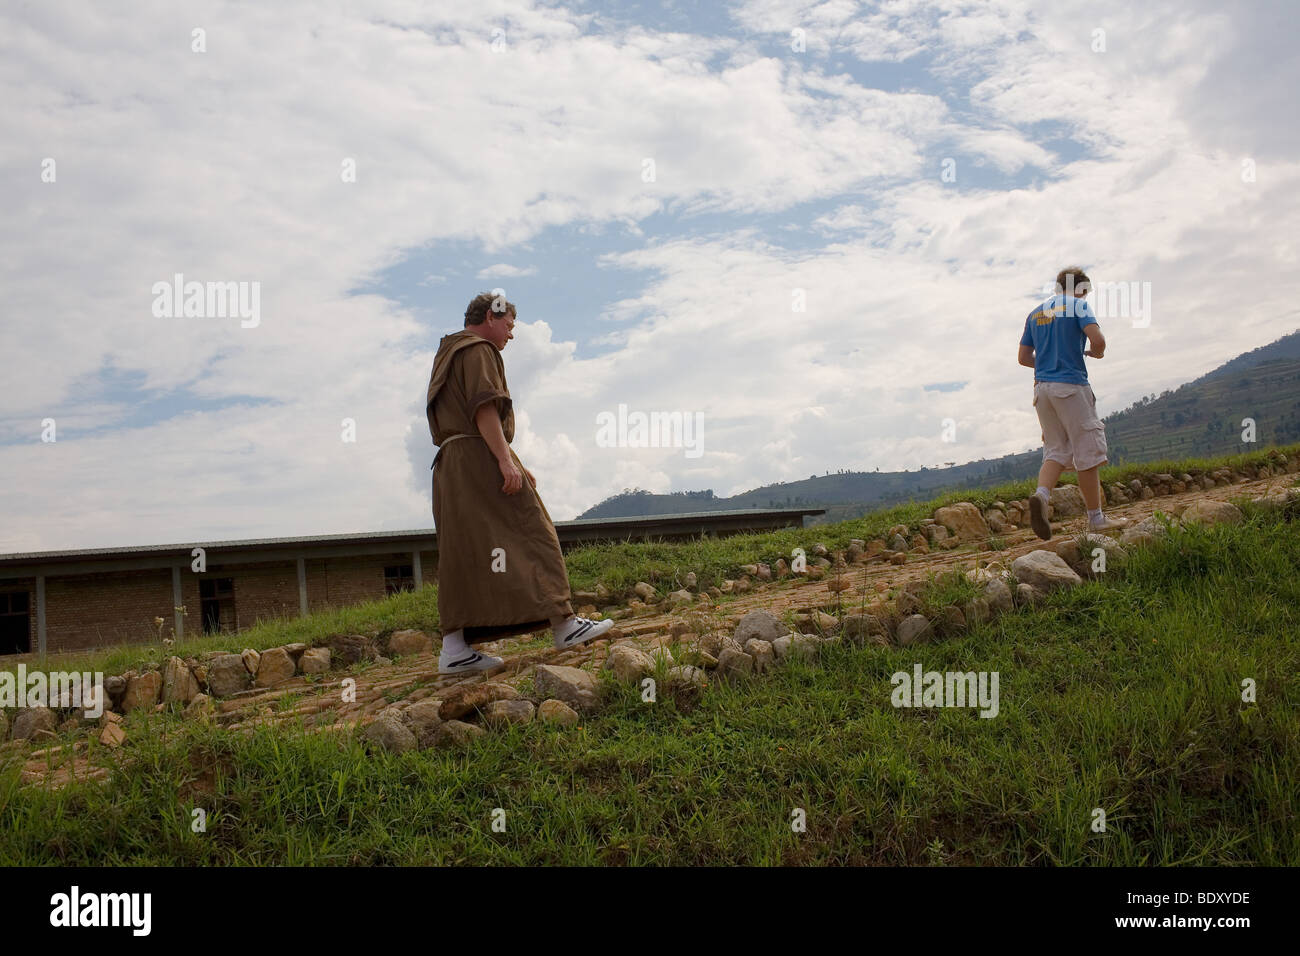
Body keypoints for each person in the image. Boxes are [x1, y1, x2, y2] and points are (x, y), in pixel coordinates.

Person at [424, 291, 613, 674]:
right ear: (491, 318)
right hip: (478, 458)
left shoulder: (448, 352)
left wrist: (512, 460)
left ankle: (454, 648)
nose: (511, 335)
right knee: (534, 530)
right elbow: (484, 407)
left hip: (452, 464)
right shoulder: (478, 350)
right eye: (509, 325)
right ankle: (564, 623)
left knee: (465, 551)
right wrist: (505, 460)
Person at [1018, 267, 1126, 539]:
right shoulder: (1078, 306)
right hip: (1071, 385)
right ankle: (1096, 519)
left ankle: (1042, 495)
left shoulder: (1036, 313)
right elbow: (1098, 340)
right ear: (1081, 288)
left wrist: (1045, 363)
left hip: (1042, 390)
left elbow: (1023, 357)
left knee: (1056, 450)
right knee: (1087, 451)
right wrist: (1096, 353)